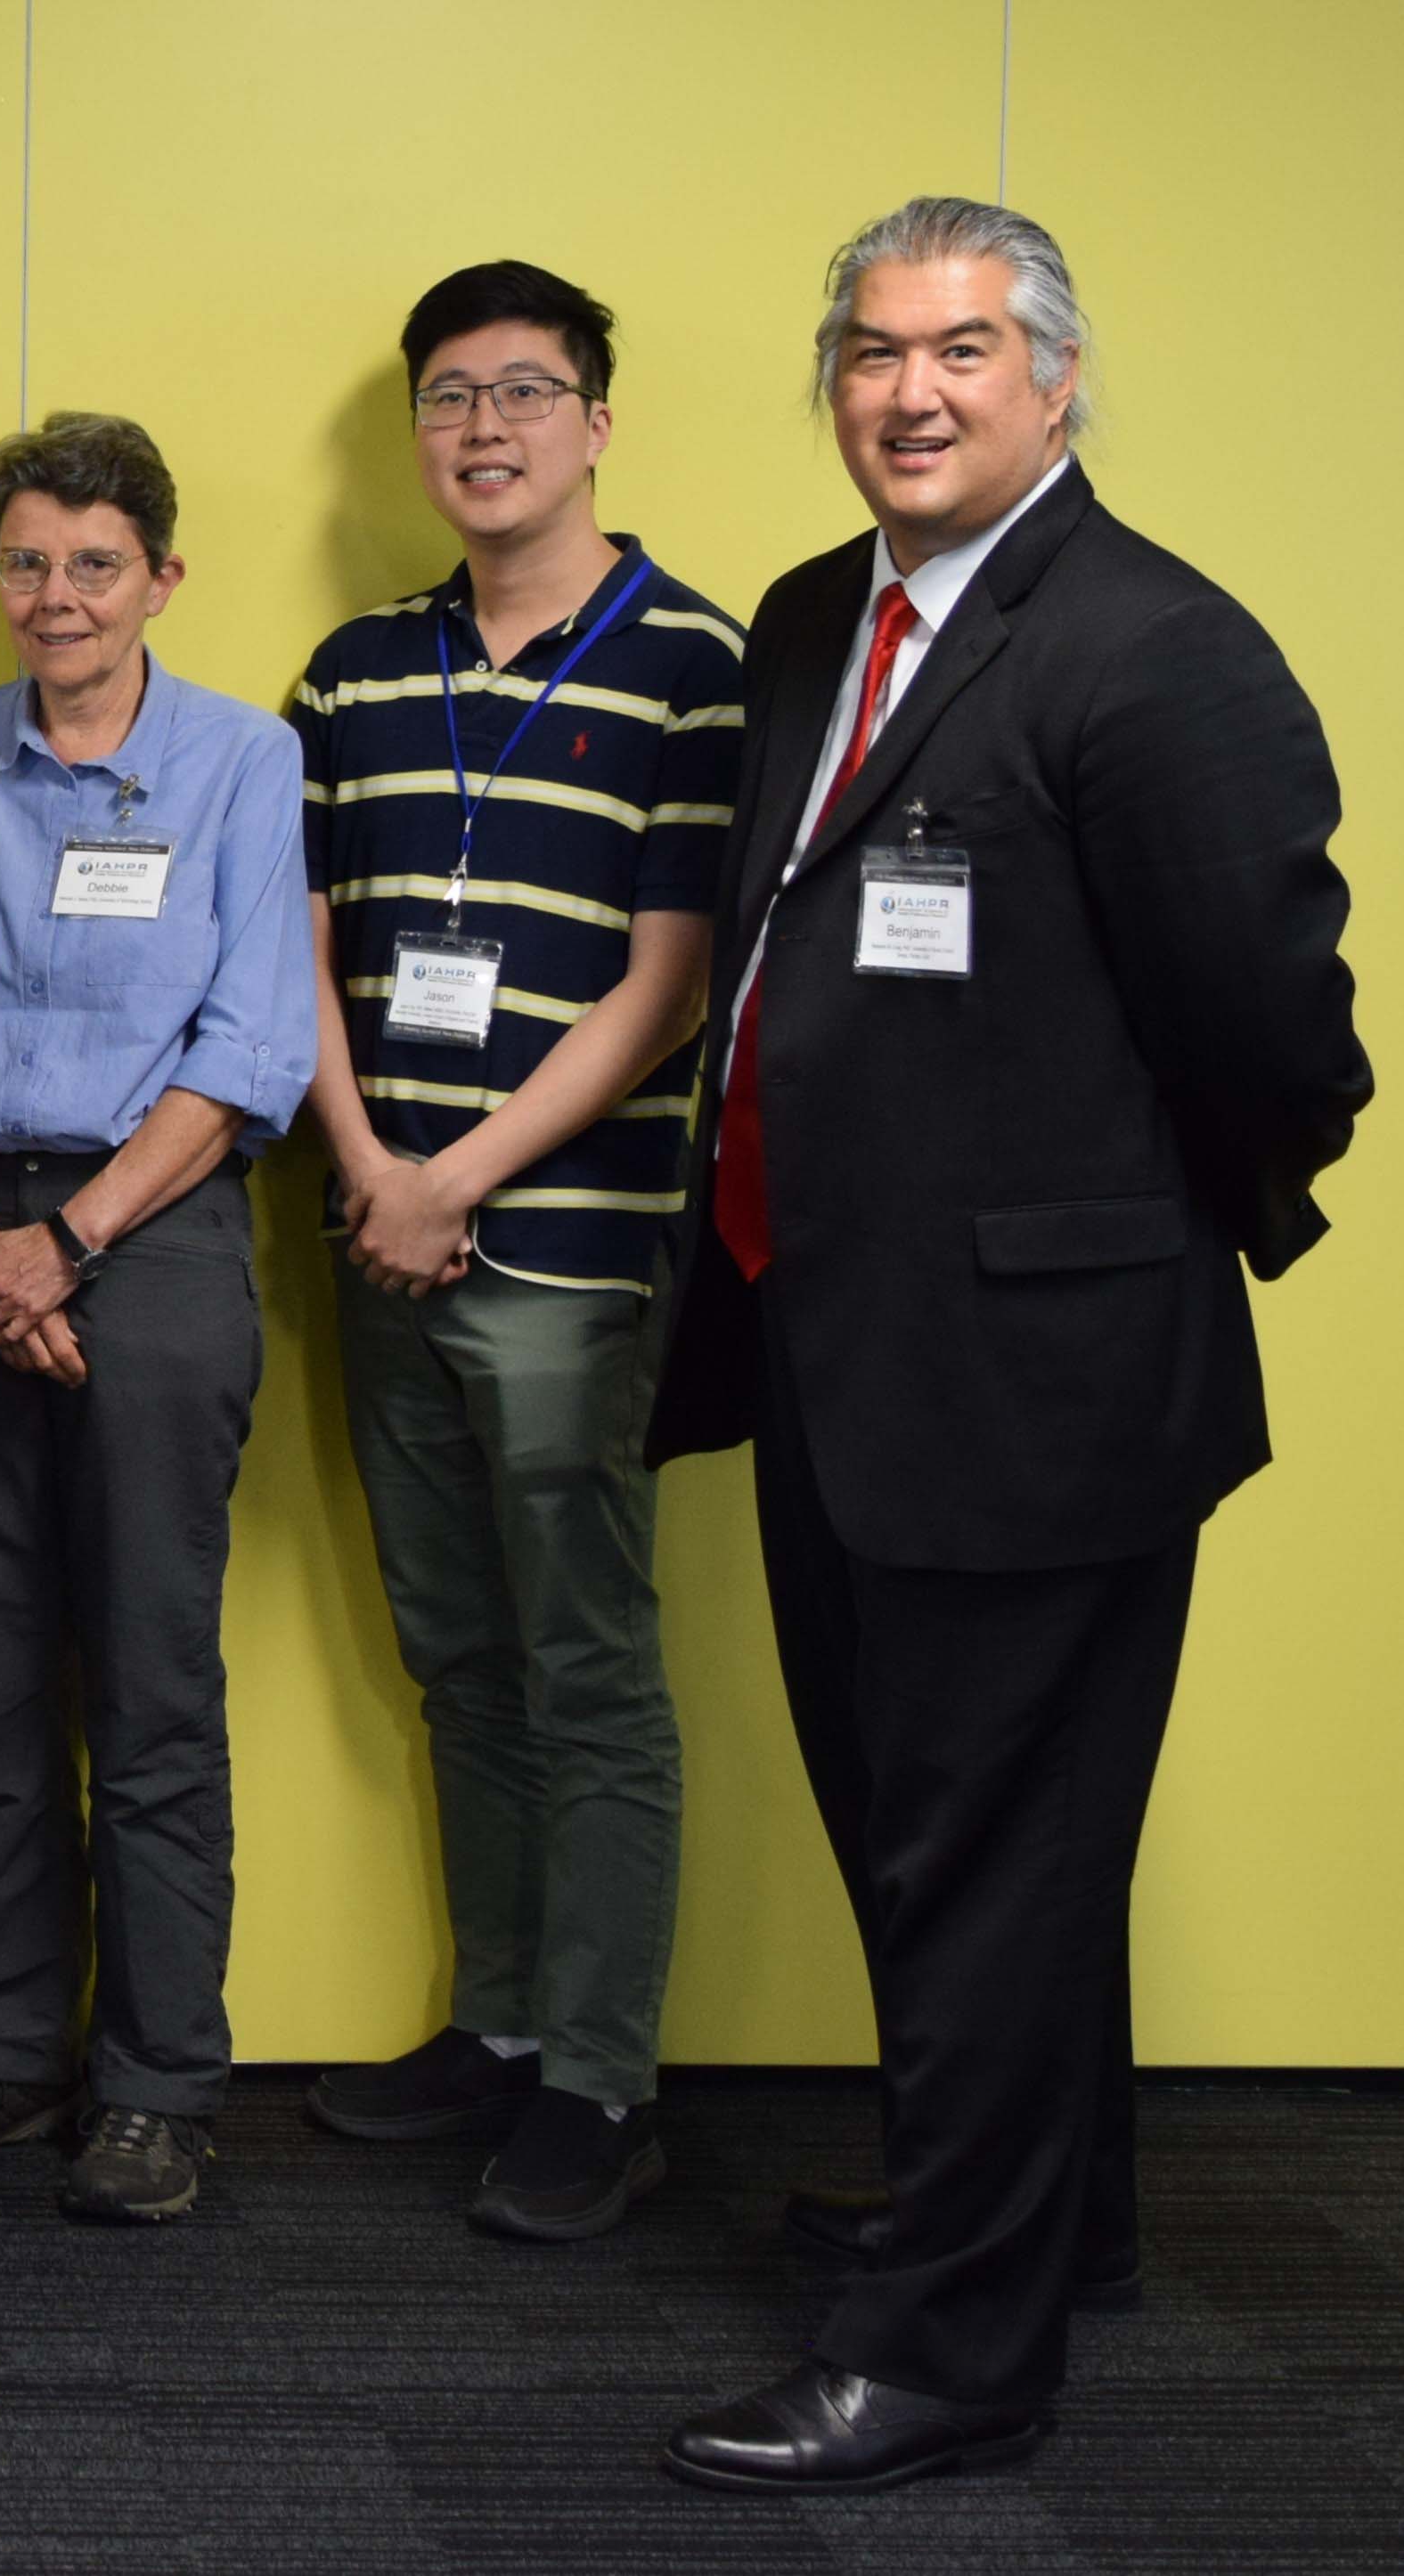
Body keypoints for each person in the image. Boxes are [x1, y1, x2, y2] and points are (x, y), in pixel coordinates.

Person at [650, 200, 1364, 2496]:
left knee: (987, 1855)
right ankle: (1052, 2221)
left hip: (1041, 1379)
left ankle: (958, 2353)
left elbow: (1277, 1039)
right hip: (827, 1334)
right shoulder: (811, 618)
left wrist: (1116, 1248)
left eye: (963, 349)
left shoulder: (1160, 650)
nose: (911, 392)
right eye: (872, 351)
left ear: (1057, 379)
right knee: (941, 1836)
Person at [289, 265, 739, 2242]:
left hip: (563, 1246)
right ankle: (494, 2025)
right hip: (375, 1229)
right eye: (451, 396)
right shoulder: (355, 672)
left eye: (527, 392)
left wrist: (454, 1173)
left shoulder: (696, 665)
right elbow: (299, 950)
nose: (485, 428)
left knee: (585, 1665)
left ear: (597, 422)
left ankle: (598, 2081)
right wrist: (369, 1166)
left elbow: (668, 983)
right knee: (459, 1656)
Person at [0, 411, 316, 2227]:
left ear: (160, 579)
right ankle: (0, 2047)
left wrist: (73, 1239)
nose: (59, 596)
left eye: (95, 565)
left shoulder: (242, 762)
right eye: (29, 563)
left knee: (149, 1677)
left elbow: (254, 1040)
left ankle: (158, 2080)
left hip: (158, 1232)